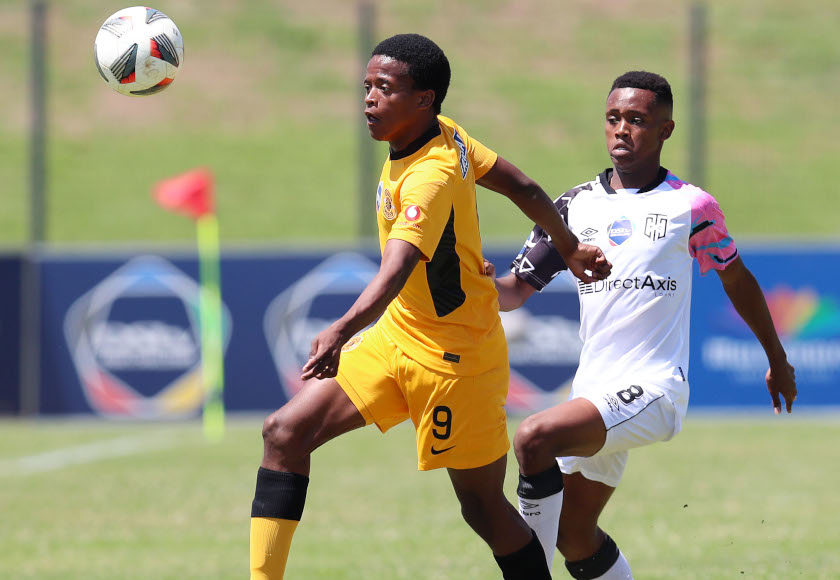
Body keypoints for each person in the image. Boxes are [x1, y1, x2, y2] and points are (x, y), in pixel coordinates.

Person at [248, 33, 611, 580]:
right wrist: (569, 246)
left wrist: (342, 328)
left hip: (457, 361)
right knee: (284, 433)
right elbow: (523, 185)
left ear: (424, 99)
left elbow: (396, 268)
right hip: (396, 339)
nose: (369, 98)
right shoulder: (446, 134)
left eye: (385, 88)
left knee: (482, 508)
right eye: (367, 86)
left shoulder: (431, 175)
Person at [487, 71, 798, 579]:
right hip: (592, 392)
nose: (622, 129)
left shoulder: (690, 206)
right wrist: (477, 283)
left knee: (533, 438)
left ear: (665, 130)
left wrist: (777, 359)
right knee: (574, 536)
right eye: (613, 118)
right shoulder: (573, 205)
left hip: (655, 388)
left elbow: (737, 279)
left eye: (636, 119)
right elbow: (515, 290)